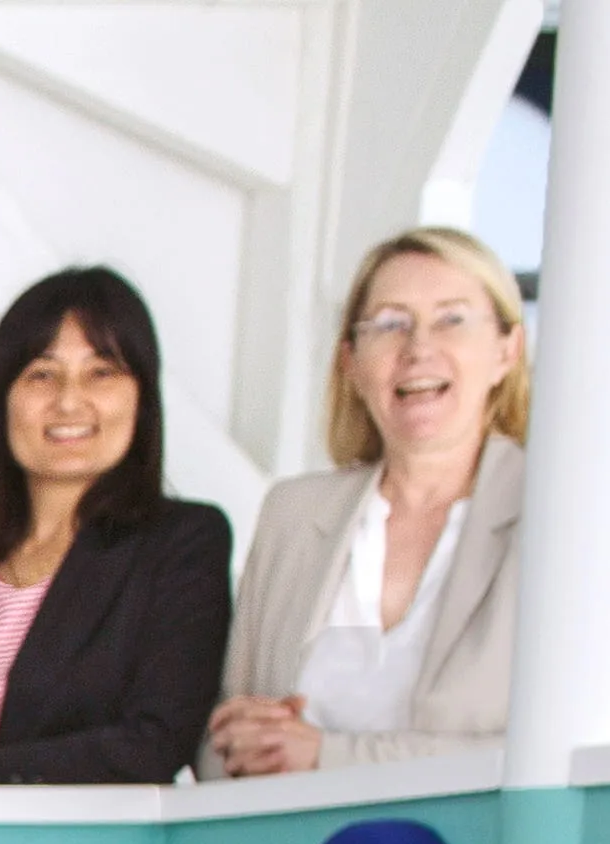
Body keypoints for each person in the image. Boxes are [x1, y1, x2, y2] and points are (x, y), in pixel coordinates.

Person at [0, 267, 234, 786]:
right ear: (2, 402)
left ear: (141, 396)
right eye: (41, 374)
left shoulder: (182, 543)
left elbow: (156, 740)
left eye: (101, 372)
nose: (69, 401)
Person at [212, 227, 525, 781]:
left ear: (507, 350)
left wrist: (327, 755)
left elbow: (551, 755)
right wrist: (242, 743)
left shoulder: (554, 519)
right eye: (390, 324)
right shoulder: (291, 514)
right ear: (350, 362)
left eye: (452, 319)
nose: (418, 349)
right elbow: (222, 741)